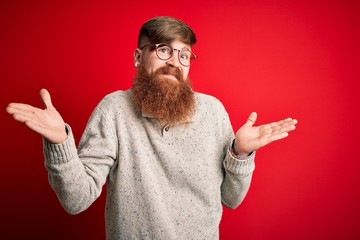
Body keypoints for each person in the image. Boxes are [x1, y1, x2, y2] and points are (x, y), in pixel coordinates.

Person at [6, 16, 297, 240]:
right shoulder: (114, 110)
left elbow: (231, 199)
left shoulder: (213, 112)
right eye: (163, 50)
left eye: (184, 55)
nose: (175, 62)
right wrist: (60, 144)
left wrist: (240, 153)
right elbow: (77, 200)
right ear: (138, 57)